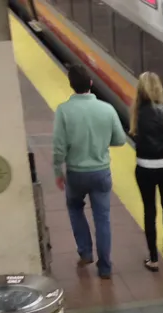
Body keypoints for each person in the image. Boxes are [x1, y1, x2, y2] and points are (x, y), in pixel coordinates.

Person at [52, 64, 126, 279]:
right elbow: (120, 140)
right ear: (91, 84)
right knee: (102, 218)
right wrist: (102, 142)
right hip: (101, 172)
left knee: (75, 208)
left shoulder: (64, 111)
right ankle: (105, 268)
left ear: (71, 86)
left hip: (76, 173)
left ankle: (85, 252)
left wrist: (58, 170)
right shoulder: (107, 109)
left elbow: (58, 146)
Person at [129, 71, 163, 271]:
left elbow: (135, 138)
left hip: (145, 168)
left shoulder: (137, 113)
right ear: (159, 88)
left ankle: (153, 259)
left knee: (149, 210)